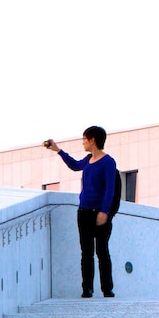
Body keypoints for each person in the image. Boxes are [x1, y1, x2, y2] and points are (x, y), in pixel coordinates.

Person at [44, 126, 117, 298]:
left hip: (99, 212)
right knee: (86, 252)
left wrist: (104, 211)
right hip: (83, 212)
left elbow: (110, 190)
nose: (83, 142)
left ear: (93, 140)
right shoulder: (88, 160)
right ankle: (87, 288)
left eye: (84, 139)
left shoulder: (108, 162)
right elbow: (75, 165)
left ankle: (107, 288)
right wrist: (58, 150)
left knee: (102, 251)